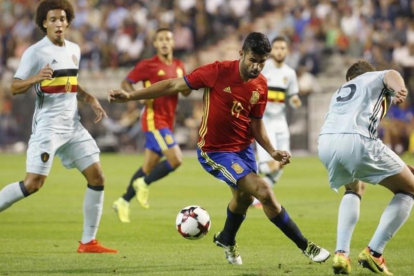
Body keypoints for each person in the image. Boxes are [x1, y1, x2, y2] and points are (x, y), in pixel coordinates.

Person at [108, 32, 330, 265]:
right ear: (241, 53)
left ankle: (226, 239)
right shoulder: (217, 71)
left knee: (243, 199)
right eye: (253, 59)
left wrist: (272, 151)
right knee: (263, 190)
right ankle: (307, 246)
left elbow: (256, 123)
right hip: (215, 151)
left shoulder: (261, 85)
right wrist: (131, 96)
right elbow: (173, 84)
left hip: (245, 150)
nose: (256, 66)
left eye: (262, 62)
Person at [0, 0, 117, 253]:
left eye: (62, 19)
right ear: (44, 23)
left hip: (72, 127)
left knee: (97, 177)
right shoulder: (35, 52)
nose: (58, 24)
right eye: (53, 19)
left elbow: (70, 83)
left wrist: (90, 98)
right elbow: (14, 87)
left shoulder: (74, 49)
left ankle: (88, 242)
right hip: (48, 128)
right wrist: (35, 78)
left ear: (68, 22)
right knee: (33, 184)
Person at [318, 60, 413, 275]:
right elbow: (391, 74)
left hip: (326, 144)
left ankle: (341, 254)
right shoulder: (373, 77)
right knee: (409, 188)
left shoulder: (341, 91)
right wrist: (399, 89)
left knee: (354, 188)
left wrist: (398, 165)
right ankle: (375, 253)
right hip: (357, 142)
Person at [112, 28, 190, 223]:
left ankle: (122, 201)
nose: (164, 42)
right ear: (155, 44)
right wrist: (138, 99)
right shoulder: (148, 65)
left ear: (173, 43)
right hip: (154, 119)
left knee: (148, 166)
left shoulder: (180, 66)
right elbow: (126, 82)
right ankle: (143, 184)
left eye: (168, 39)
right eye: (160, 39)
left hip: (168, 120)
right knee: (176, 159)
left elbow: (186, 92)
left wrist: (191, 85)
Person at [253, 36, 302, 208]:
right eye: (276, 48)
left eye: (283, 48)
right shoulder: (263, 70)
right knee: (271, 163)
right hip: (264, 121)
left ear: (287, 51)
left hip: (280, 121)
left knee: (284, 160)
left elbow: (292, 94)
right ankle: (242, 171)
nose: (279, 51)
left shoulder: (290, 73)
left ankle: (259, 196)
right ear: (271, 50)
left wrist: (295, 100)